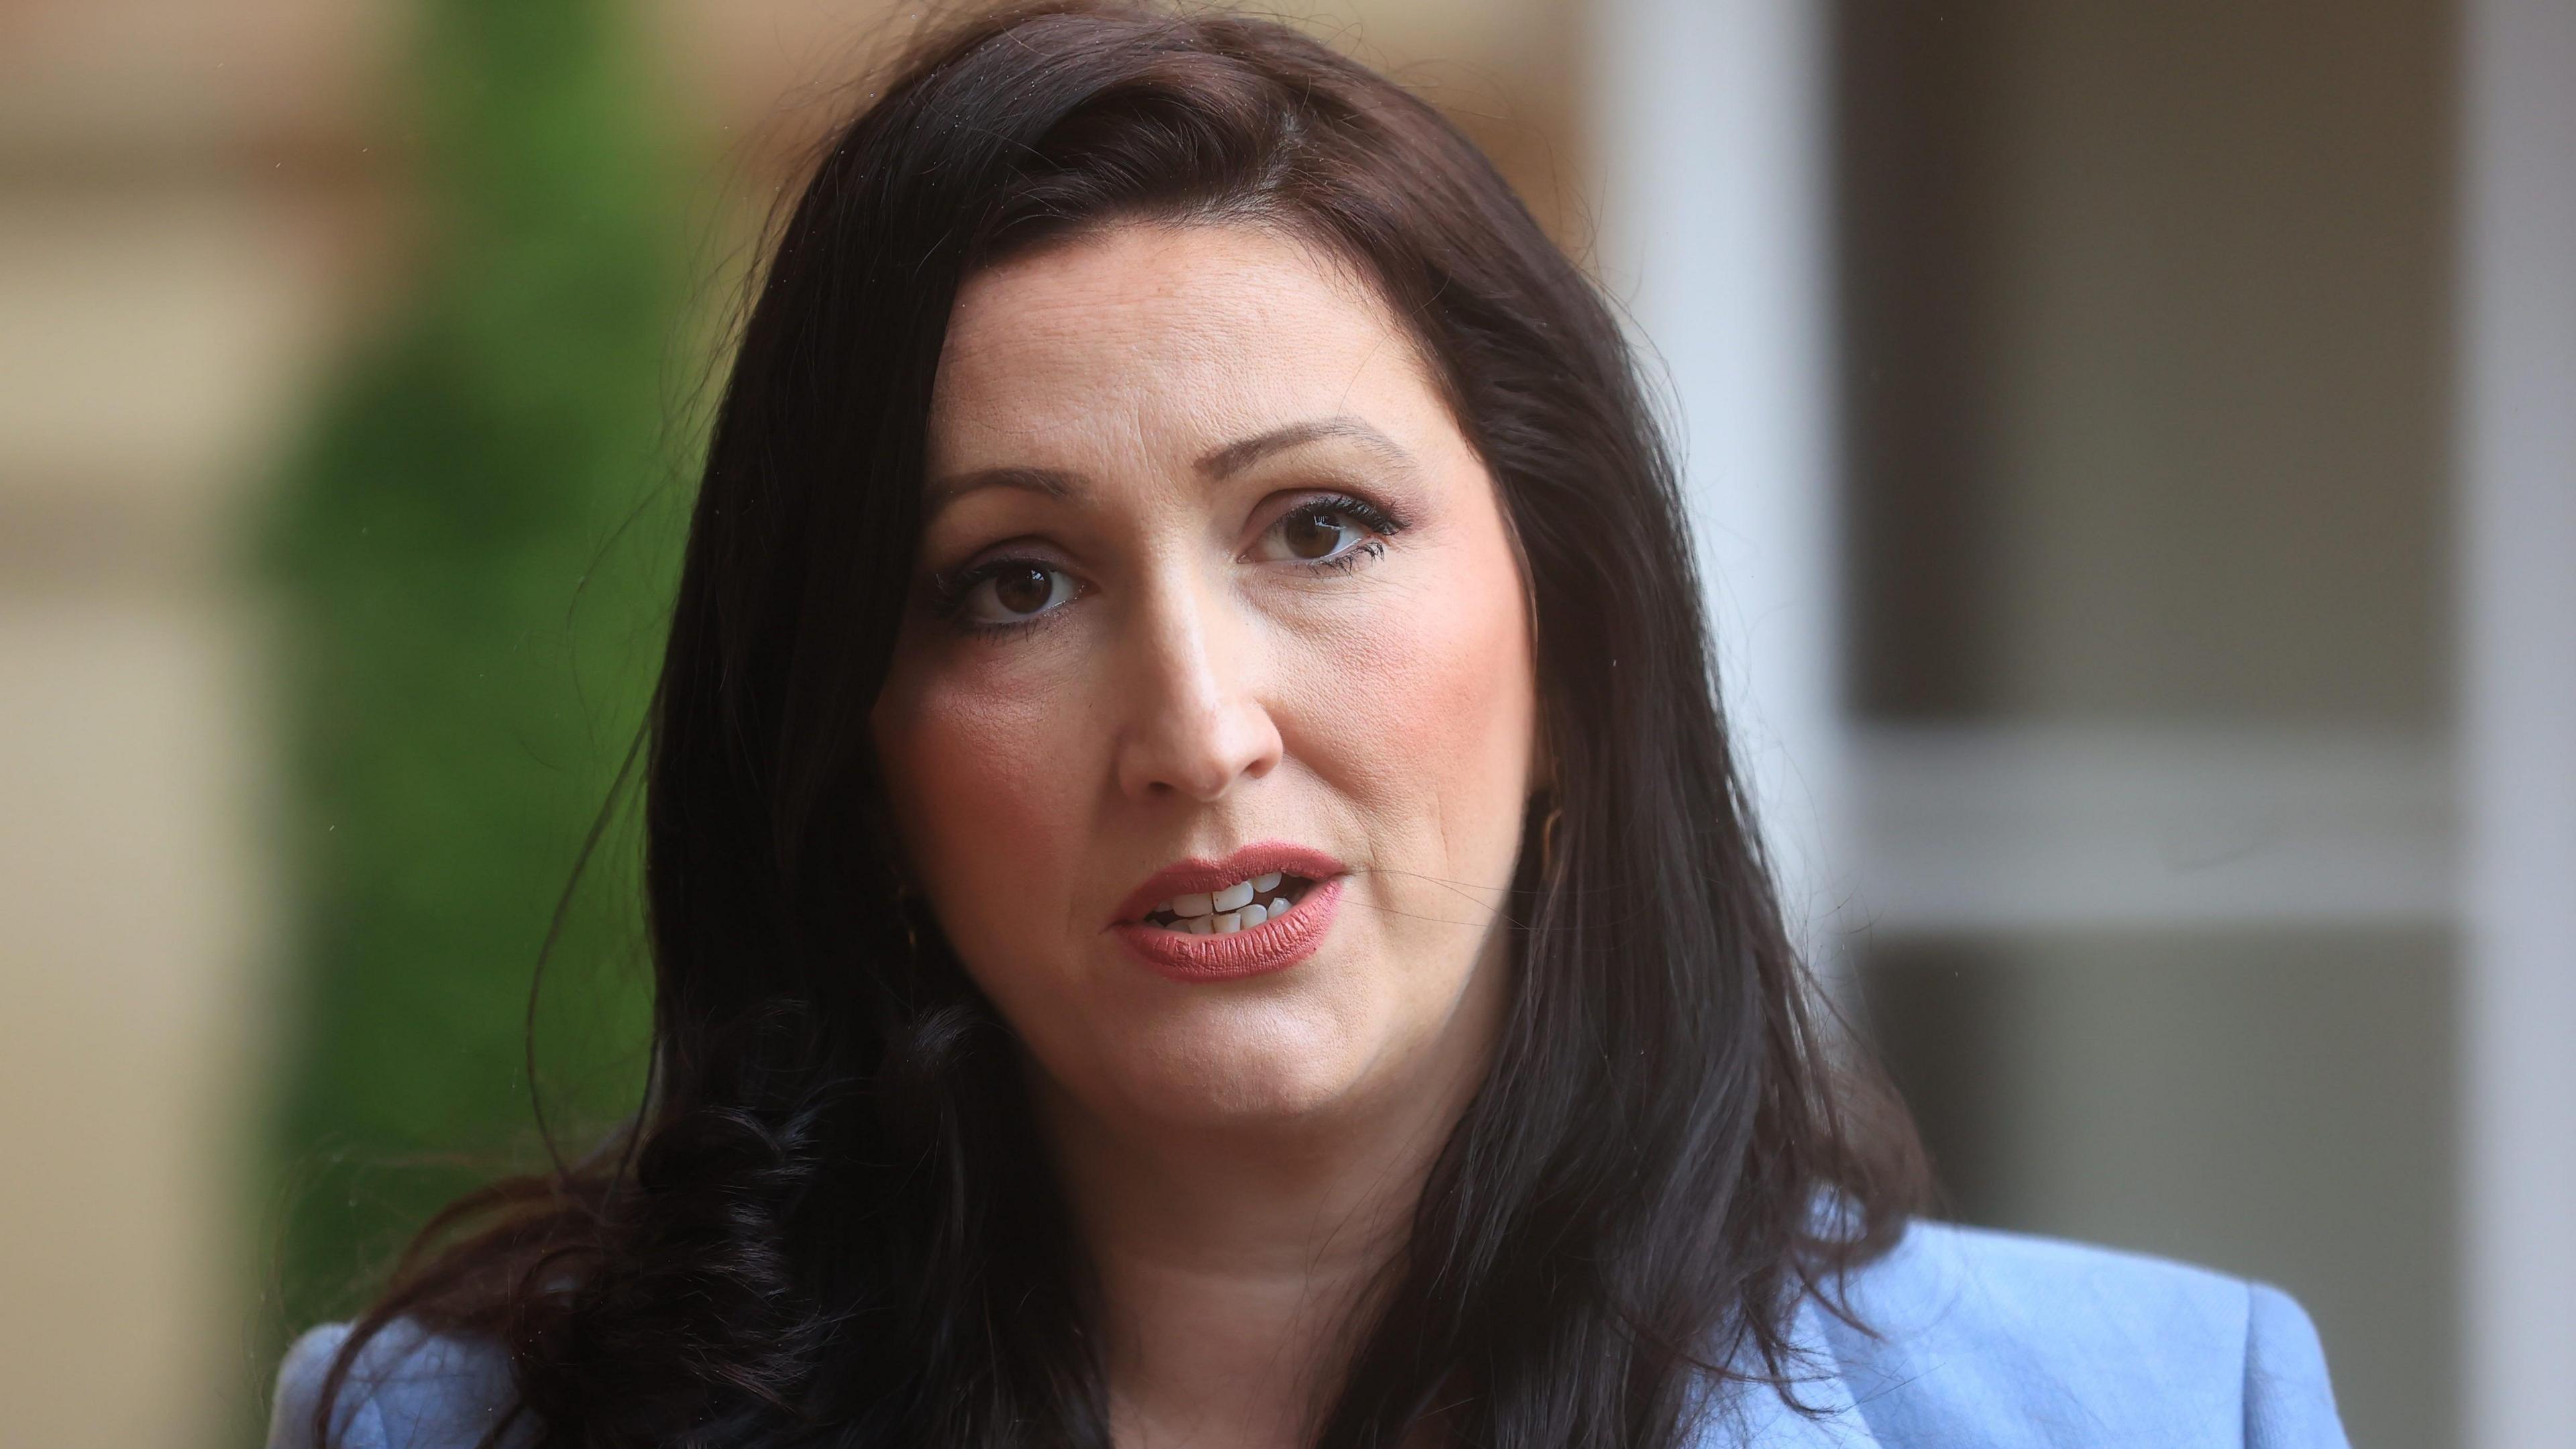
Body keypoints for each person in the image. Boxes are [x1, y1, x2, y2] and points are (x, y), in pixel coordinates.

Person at [268, 5, 2350, 1446]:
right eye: (1015, 581)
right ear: (860, 761)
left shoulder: (2165, 1410)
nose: (1196, 722)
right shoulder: (456, 1431)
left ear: (1580, 654)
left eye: (1321, 528)